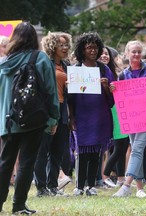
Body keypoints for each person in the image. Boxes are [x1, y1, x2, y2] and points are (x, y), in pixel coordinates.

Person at [0, 22, 59, 214]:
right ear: (35, 38)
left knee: (5, 162)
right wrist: (53, 119)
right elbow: (51, 92)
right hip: (33, 119)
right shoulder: (40, 58)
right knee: (26, 163)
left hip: (7, 121)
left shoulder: (3, 63)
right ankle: (18, 206)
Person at [69, 32, 115, 196]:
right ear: (82, 50)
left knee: (96, 151)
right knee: (82, 151)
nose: (93, 51)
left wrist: (106, 87)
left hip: (99, 116)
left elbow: (112, 101)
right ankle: (79, 186)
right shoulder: (75, 70)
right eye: (89, 47)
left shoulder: (104, 69)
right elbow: (70, 99)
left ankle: (91, 185)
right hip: (81, 116)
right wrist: (71, 116)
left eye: (95, 47)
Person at [111, 40, 146, 198]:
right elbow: (118, 99)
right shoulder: (123, 75)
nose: (137, 54)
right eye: (134, 52)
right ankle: (139, 189)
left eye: (139, 51)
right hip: (131, 117)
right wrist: (112, 90)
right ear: (127, 54)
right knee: (136, 148)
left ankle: (126, 185)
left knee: (137, 148)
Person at [34, 31, 72, 197]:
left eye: (66, 44)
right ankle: (41, 188)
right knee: (43, 151)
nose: (64, 48)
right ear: (52, 46)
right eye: (60, 44)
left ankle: (53, 186)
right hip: (48, 112)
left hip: (63, 112)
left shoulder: (66, 66)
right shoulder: (44, 63)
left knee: (58, 151)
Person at [99, 46, 130, 188]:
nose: (105, 56)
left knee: (122, 147)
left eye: (107, 54)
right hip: (109, 113)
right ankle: (105, 175)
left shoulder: (113, 72)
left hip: (119, 112)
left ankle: (121, 177)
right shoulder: (96, 72)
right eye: (102, 54)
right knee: (118, 147)